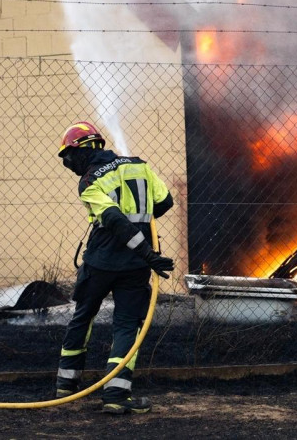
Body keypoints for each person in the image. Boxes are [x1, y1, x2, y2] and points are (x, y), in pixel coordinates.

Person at [54, 121, 176, 415]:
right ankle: (116, 396)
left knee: (83, 316)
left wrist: (144, 249)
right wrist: (146, 245)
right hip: (135, 266)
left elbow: (115, 221)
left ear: (83, 150)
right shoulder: (140, 166)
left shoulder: (88, 182)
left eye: (69, 156)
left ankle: (65, 387)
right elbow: (165, 201)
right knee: (126, 327)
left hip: (101, 261)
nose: (68, 164)